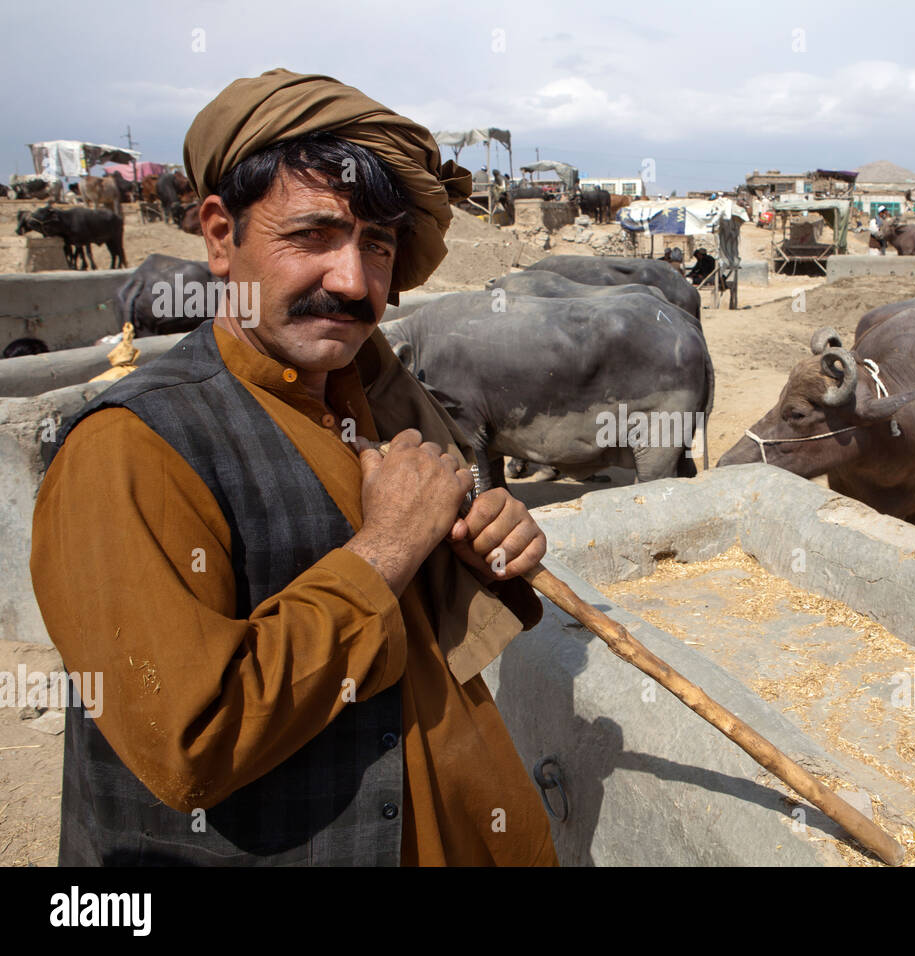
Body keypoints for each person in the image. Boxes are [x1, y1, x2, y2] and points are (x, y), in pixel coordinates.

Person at [30, 69, 558, 867]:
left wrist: (484, 546)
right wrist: (385, 550)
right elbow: (193, 738)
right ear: (218, 236)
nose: (353, 282)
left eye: (376, 246)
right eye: (312, 236)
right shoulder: (130, 448)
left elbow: (420, 627)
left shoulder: (374, 402)